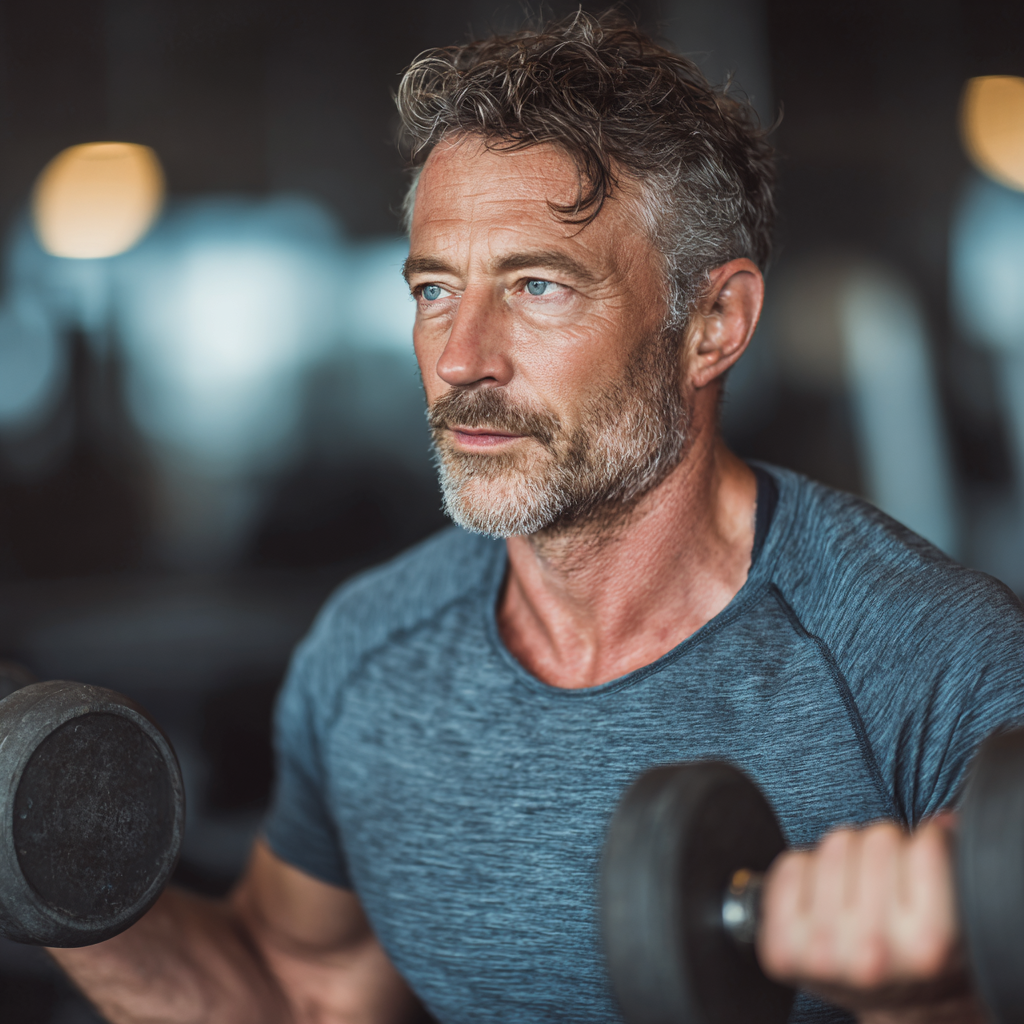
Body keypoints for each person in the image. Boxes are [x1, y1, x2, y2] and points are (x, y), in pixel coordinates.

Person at [52, 12, 1023, 1024]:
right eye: (435, 288)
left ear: (714, 325)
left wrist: (917, 1000)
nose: (463, 357)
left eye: (537, 285)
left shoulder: (935, 663)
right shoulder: (370, 657)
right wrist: (44, 866)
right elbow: (298, 994)